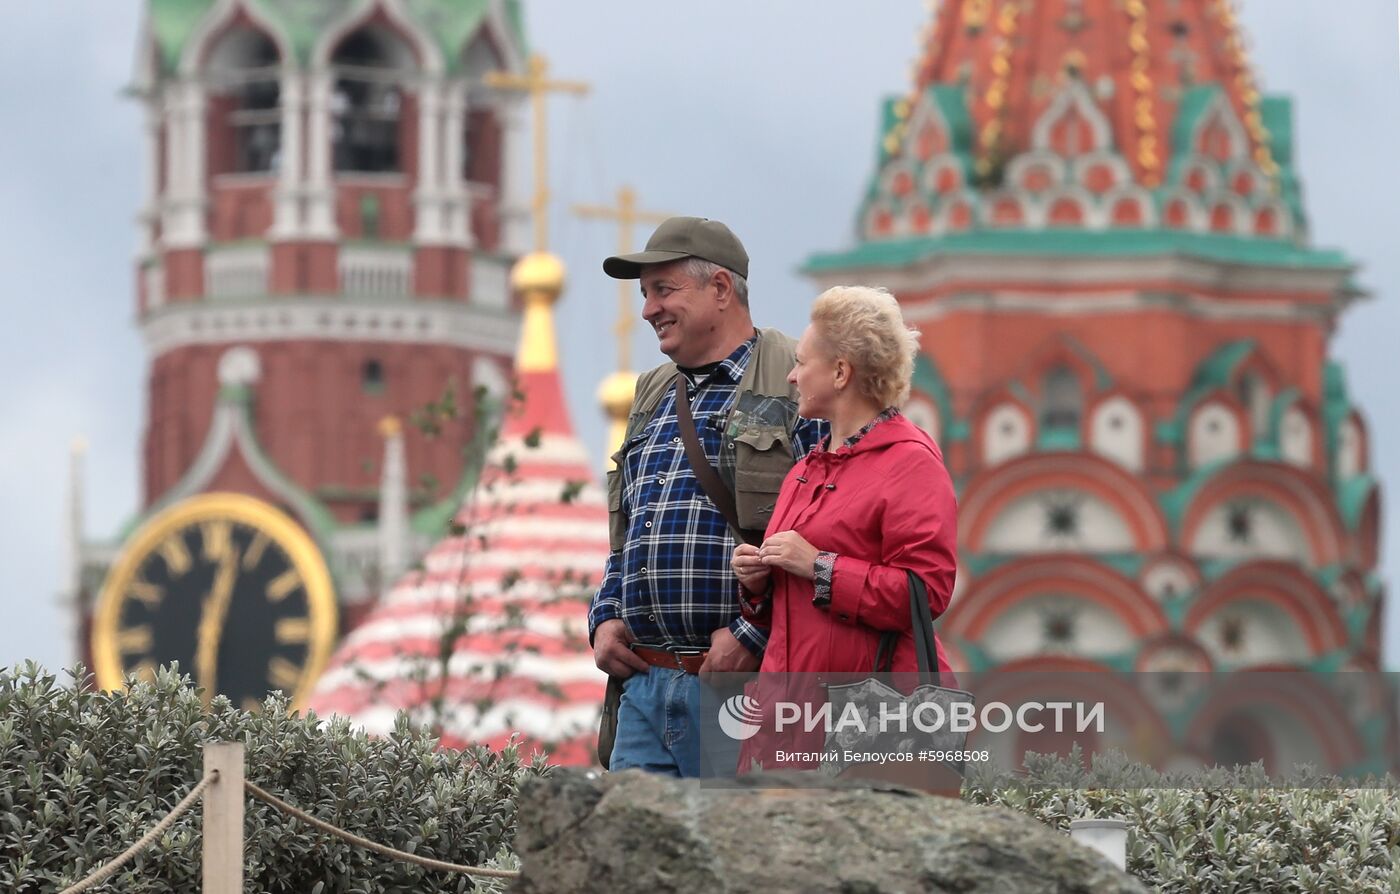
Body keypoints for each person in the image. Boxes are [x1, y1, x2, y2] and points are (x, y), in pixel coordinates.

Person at [589, 216, 826, 776]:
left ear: (720, 289)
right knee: (634, 862)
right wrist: (603, 617)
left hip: (741, 691)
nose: (648, 309)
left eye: (664, 290)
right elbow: (628, 533)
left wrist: (751, 635)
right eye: (646, 294)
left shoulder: (797, 383)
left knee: (735, 861)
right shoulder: (649, 395)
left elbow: (829, 533)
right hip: (644, 691)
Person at [730, 285, 958, 771]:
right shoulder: (804, 470)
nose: (791, 376)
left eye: (801, 362)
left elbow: (925, 591)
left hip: (866, 730)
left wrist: (818, 566)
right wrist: (758, 582)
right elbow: (791, 615)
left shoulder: (910, 463)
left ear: (839, 372)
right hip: (786, 723)